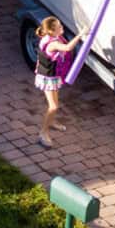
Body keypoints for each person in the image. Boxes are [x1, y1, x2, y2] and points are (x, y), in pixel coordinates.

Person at [34, 16, 84, 147]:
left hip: (52, 76)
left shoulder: (49, 37)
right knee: (53, 106)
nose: (62, 27)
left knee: (55, 104)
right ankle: (43, 132)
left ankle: (52, 122)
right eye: (59, 27)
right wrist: (81, 34)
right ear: (52, 31)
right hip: (48, 78)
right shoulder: (53, 43)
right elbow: (67, 48)